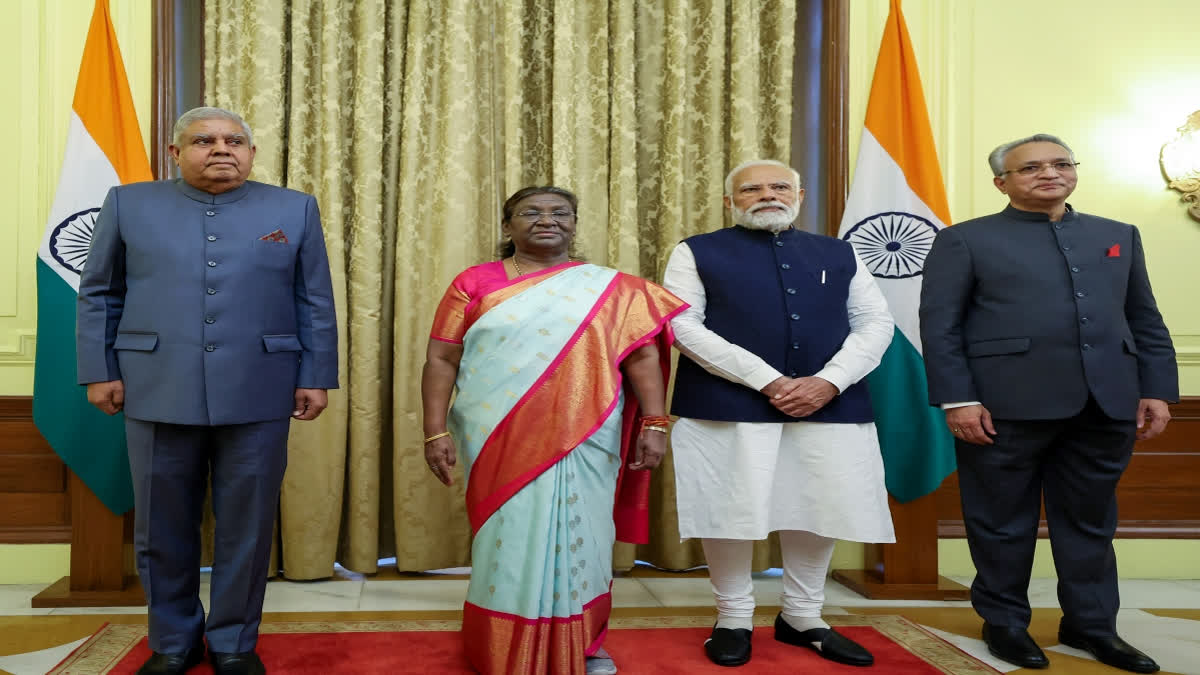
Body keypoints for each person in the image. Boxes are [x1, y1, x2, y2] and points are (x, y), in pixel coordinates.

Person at [77, 107, 338, 675]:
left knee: (247, 526)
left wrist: (316, 373)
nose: (222, 149)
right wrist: (99, 369)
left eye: (235, 140)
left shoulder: (293, 208)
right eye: (204, 141)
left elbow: (312, 297)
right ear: (176, 153)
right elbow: (100, 293)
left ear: (250, 151)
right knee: (162, 525)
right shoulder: (129, 203)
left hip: (261, 387)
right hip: (154, 384)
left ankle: (234, 644)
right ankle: (173, 640)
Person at [920, 134, 1176, 674]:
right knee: (1000, 523)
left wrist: (1155, 388)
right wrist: (958, 400)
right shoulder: (965, 240)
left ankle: (1091, 626)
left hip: (1106, 403)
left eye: (1061, 164)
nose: (1049, 173)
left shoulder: (1117, 235)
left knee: (1089, 522)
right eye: (1031, 167)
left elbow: (1144, 318)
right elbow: (940, 328)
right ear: (1002, 183)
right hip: (1001, 406)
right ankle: (1006, 624)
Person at [420, 186, 686, 675]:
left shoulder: (615, 288)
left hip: (586, 436)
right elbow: (441, 357)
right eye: (531, 213)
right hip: (497, 435)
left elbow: (644, 356)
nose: (547, 220)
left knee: (584, 537)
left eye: (560, 212)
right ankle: (500, 648)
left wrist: (654, 421)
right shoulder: (473, 283)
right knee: (507, 538)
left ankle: (585, 643)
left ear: (574, 222)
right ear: (508, 226)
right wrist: (435, 431)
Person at [663, 159, 896, 668]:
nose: (767, 194)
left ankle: (803, 617)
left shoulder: (840, 251)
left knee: (818, 502)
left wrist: (828, 381)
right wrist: (766, 380)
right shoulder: (695, 251)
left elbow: (876, 323)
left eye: (779, 186)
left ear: (799, 194)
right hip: (726, 404)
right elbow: (682, 325)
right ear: (730, 200)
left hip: (830, 402)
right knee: (729, 508)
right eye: (751, 188)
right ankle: (732, 617)